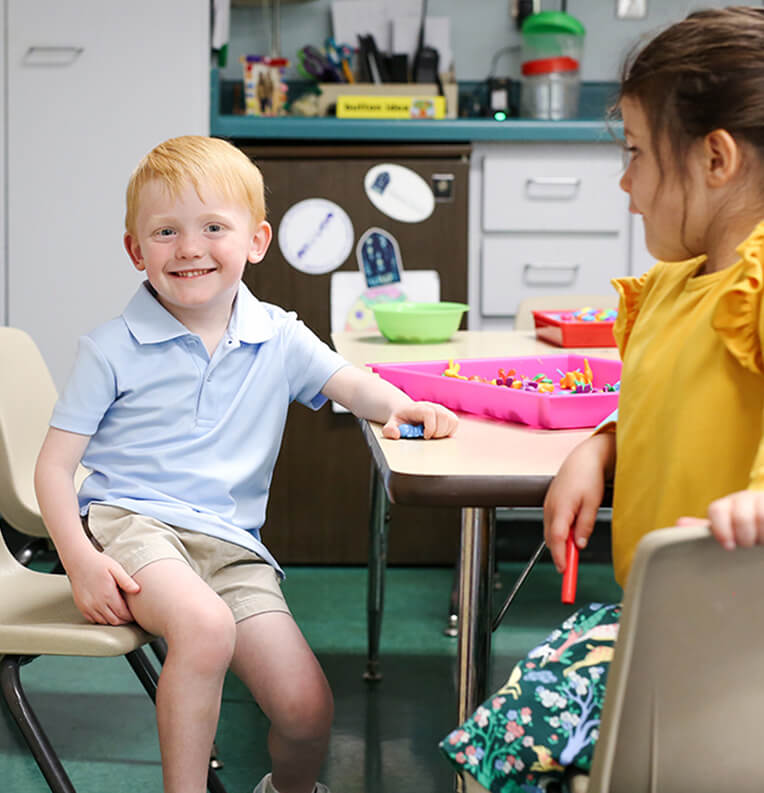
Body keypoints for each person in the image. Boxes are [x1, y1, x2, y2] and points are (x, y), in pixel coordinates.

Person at [34, 135, 458, 793]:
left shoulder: (278, 335)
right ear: (135, 250)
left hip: (232, 548)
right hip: (135, 525)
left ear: (256, 241)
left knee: (306, 707)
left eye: (213, 227)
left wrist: (400, 405)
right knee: (204, 628)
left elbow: (348, 381)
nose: (189, 247)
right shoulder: (110, 349)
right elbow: (54, 470)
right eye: (165, 231)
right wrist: (81, 560)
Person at [439, 7, 764, 791]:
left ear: (715, 158)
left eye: (637, 156)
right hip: (662, 624)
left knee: (500, 753)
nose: (625, 184)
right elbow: (682, 389)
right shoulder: (675, 288)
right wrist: (603, 442)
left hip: (735, 641)